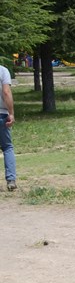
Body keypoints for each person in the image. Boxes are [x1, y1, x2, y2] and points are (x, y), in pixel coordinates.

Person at [1, 63, 15, 191]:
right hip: (1, 114)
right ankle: (11, 180)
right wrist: (11, 113)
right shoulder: (3, 71)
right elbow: (6, 92)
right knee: (7, 147)